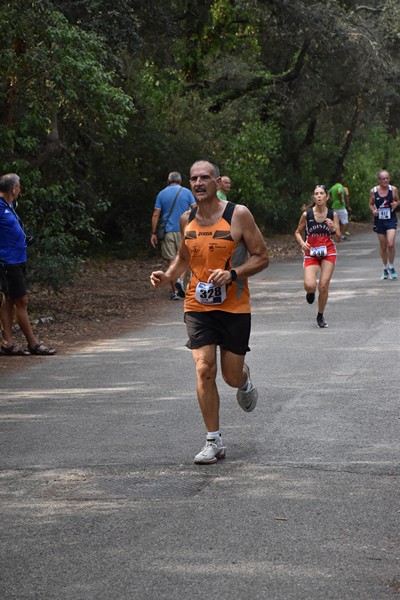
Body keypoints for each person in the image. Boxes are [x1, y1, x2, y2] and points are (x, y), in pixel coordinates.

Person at [150, 160, 269, 464]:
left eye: (205, 177)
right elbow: (182, 258)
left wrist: (233, 274)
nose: (199, 182)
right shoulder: (186, 218)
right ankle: (213, 440)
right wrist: (168, 276)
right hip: (197, 304)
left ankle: (243, 380)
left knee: (229, 375)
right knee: (204, 369)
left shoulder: (238, 215)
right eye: (194, 178)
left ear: (217, 181)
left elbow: (262, 257)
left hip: (234, 306)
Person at [0, 173, 56, 355]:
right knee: (21, 301)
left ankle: (7, 342)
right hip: (8, 261)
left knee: (9, 299)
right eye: (18, 186)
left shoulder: (10, 205)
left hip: (18, 258)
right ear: (12, 189)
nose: (20, 189)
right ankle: (33, 343)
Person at [295, 184, 341, 328]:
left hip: (328, 251)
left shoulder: (332, 214)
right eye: (316, 194)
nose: (319, 196)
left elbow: (338, 238)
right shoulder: (307, 215)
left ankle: (320, 315)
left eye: (322, 193)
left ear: (327, 197)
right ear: (314, 197)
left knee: (323, 285)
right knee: (310, 285)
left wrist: (333, 229)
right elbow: (297, 232)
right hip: (312, 253)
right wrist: (302, 243)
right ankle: (310, 292)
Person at [150, 172, 196, 300]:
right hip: (186, 230)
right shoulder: (187, 192)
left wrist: (153, 233)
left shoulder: (161, 194)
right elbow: (195, 209)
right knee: (184, 257)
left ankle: (175, 291)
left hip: (168, 232)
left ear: (168, 181)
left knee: (171, 260)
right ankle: (180, 280)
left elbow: (155, 214)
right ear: (180, 181)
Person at [369, 170, 399, 280]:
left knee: (390, 243)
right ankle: (385, 268)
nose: (386, 180)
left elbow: (398, 200)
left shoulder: (393, 189)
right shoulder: (374, 191)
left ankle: (391, 266)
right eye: (383, 178)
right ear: (379, 180)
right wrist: (373, 211)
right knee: (383, 245)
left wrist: (396, 204)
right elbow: (371, 203)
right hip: (379, 221)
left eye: (387, 178)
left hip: (391, 219)